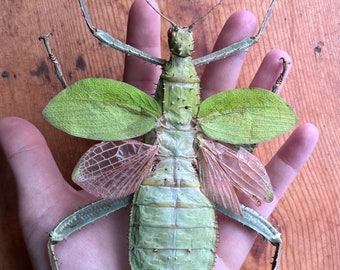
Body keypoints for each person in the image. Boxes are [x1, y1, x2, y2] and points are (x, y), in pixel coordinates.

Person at [0, 0, 318, 269]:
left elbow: (91, 81)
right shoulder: (206, 122)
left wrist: (89, 34)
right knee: (268, 227)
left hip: (167, 193)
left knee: (58, 236)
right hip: (191, 194)